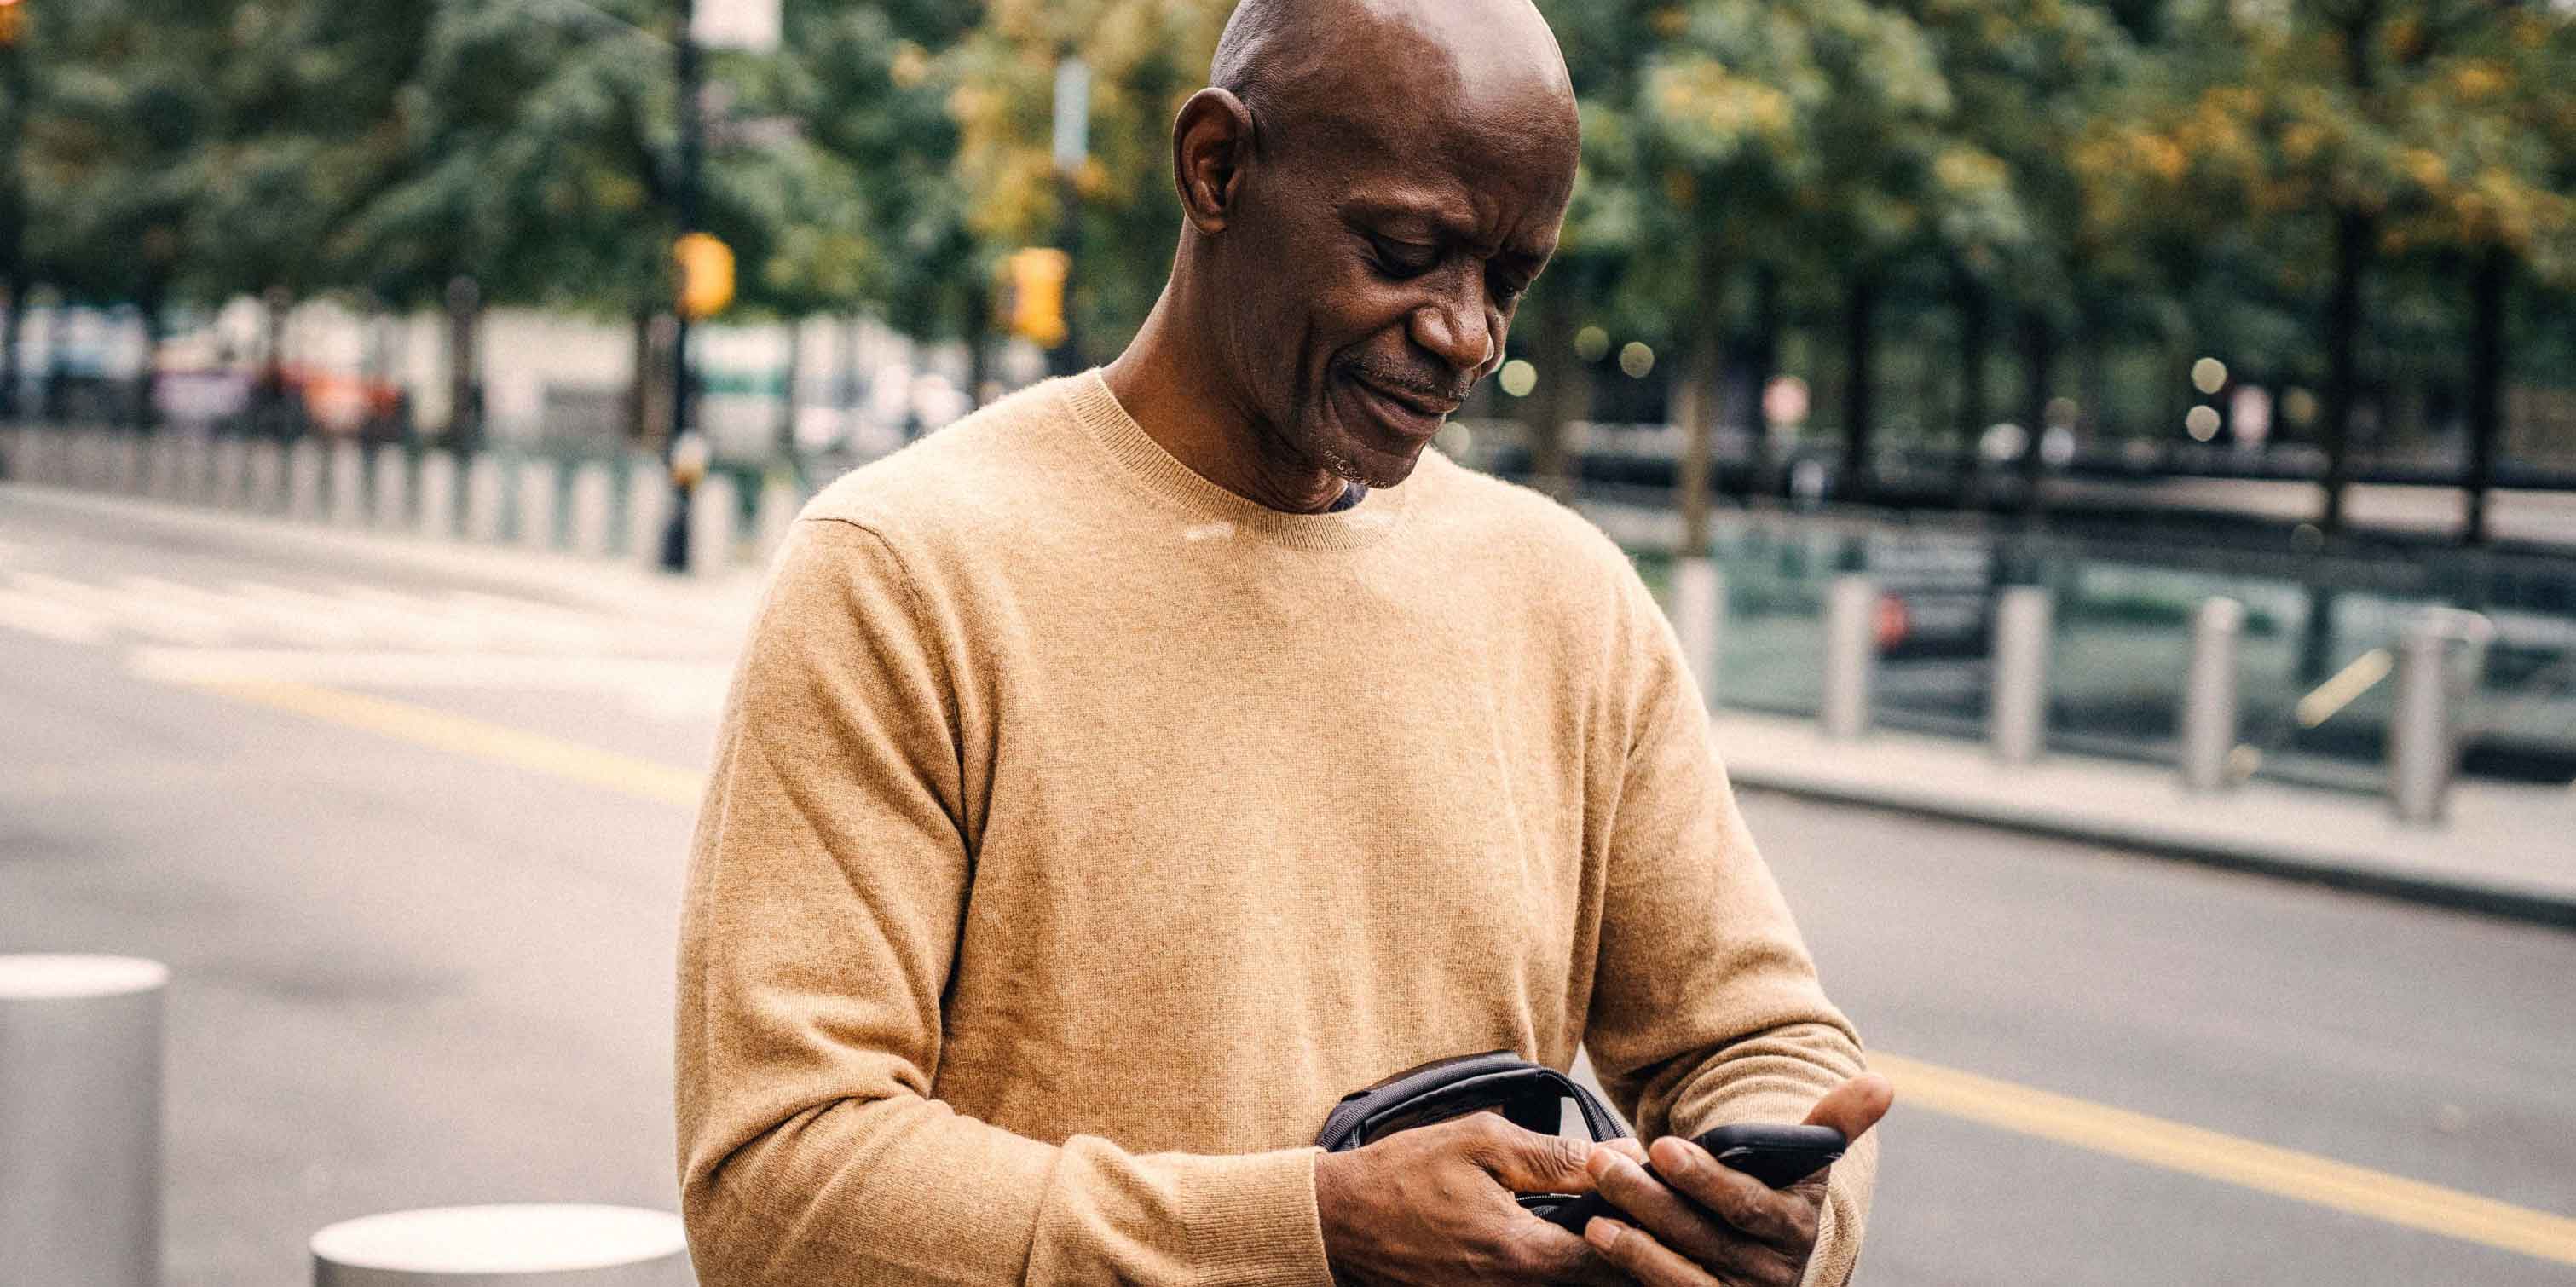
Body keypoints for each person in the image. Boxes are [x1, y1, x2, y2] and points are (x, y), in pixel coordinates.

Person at [674, 0, 1890, 1283]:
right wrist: (1315, 1228)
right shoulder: (904, 573)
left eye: (1510, 280)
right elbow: (779, 1191)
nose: (1466, 331)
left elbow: (1759, 1041)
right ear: (1216, 168)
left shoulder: (1568, 599)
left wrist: (1781, 1216)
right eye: (1407, 248)